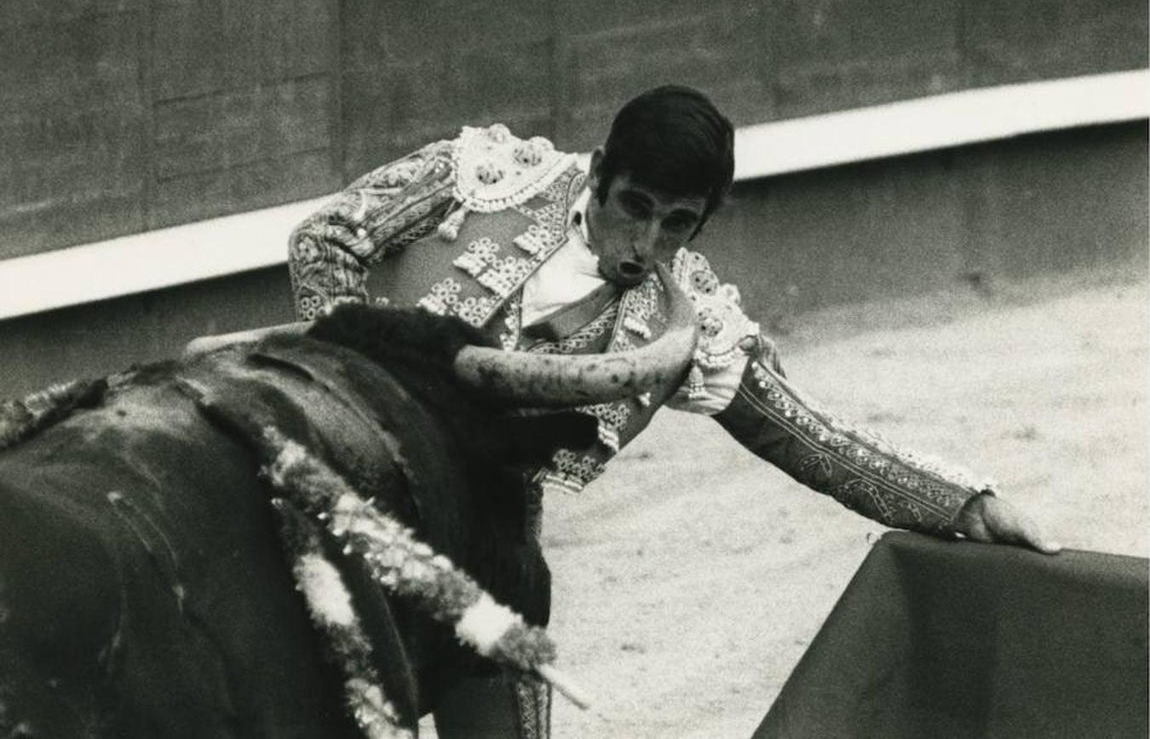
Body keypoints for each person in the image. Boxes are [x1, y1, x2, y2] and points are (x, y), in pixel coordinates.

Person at [288, 85, 1059, 737]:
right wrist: (358, 381)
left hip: (486, 539)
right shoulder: (486, 175)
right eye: (635, 206)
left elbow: (816, 439)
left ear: (703, 224)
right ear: (597, 176)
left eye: (677, 223)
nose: (645, 241)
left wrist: (972, 504)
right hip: (339, 480)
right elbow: (326, 239)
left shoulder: (687, 325)